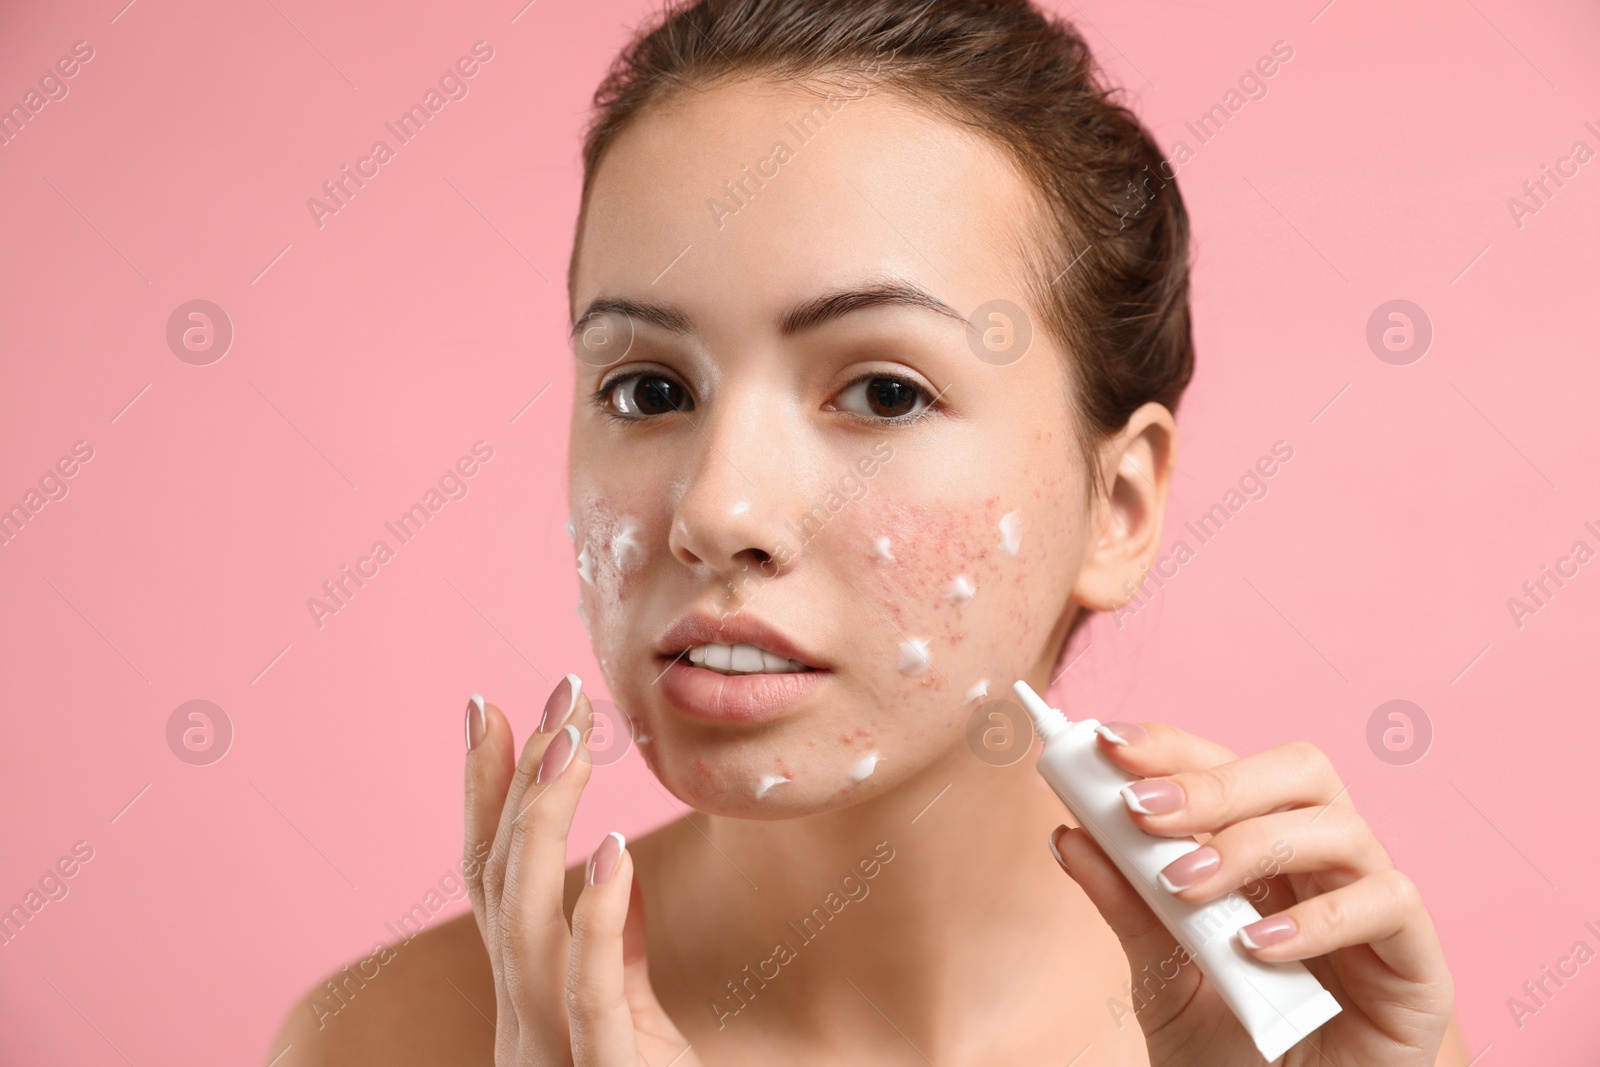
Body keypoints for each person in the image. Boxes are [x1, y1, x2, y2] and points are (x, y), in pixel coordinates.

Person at [274, 1, 1467, 1062]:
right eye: (648, 389)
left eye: (885, 390)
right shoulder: (396, 1038)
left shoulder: (1306, 1027)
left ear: (1118, 505)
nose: (715, 510)